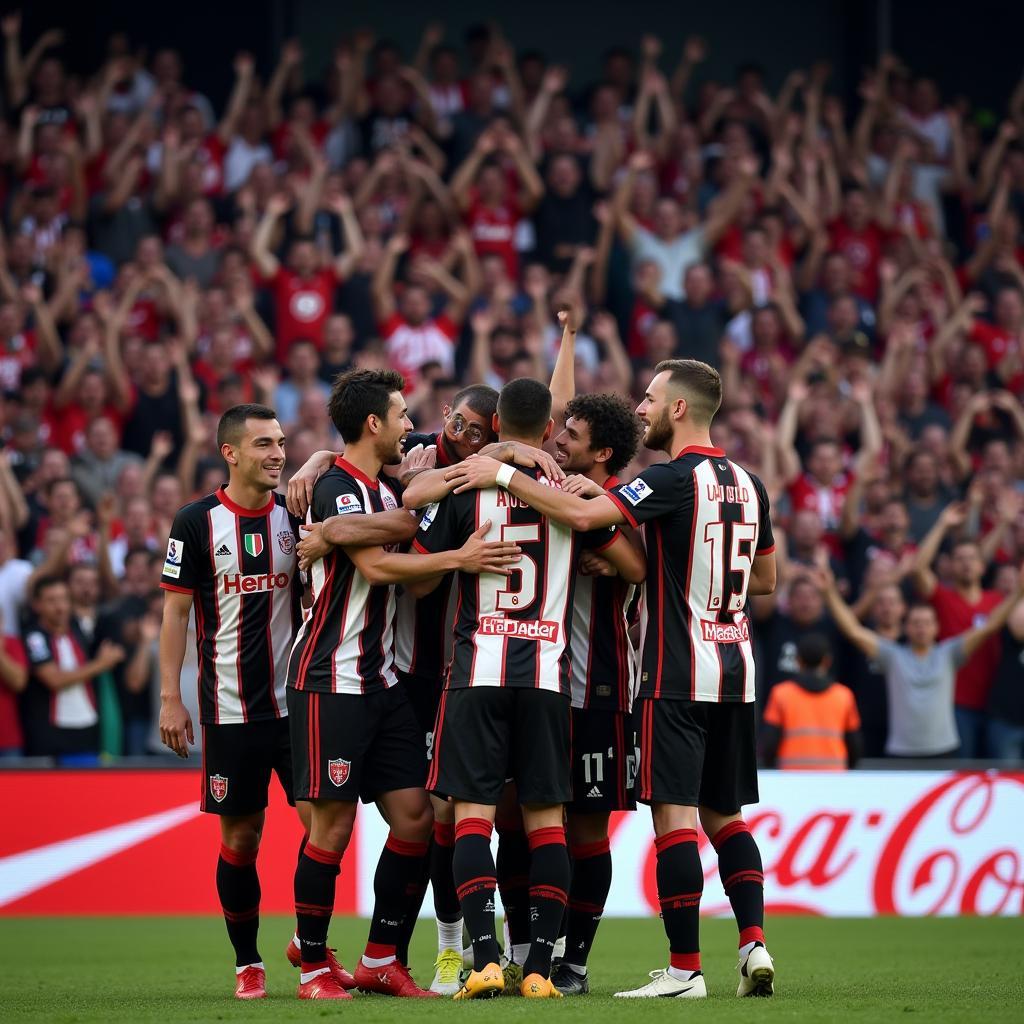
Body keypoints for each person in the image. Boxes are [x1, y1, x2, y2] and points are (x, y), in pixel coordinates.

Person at [442, 359, 776, 998]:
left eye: (651, 399)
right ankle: (753, 945)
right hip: (734, 669)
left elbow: (600, 522)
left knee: (666, 819)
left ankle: (674, 969)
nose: (644, 407)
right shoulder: (751, 485)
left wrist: (506, 471)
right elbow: (764, 581)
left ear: (678, 409)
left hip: (650, 677)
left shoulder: (666, 481)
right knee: (724, 816)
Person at [401, 375, 645, 1000]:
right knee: (547, 824)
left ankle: (482, 957)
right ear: (545, 432)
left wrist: (456, 559)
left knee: (470, 819)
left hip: (477, 671)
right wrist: (593, 557)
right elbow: (637, 566)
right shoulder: (565, 492)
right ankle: (539, 965)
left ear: (493, 424)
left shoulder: (467, 487)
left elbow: (421, 583)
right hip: (546, 676)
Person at [284, 368, 520, 1001]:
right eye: (399, 414)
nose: (409, 425)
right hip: (330, 676)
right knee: (330, 830)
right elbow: (378, 565)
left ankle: (381, 956)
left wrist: (393, 513)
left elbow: (405, 516)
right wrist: (456, 556)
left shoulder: (383, 484)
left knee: (415, 819)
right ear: (373, 424)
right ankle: (311, 966)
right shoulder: (337, 484)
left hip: (381, 679)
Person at [158, 403, 355, 1001]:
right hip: (229, 710)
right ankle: (248, 962)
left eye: (282, 443)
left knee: (325, 824)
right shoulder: (195, 522)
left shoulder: (296, 517)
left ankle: (308, 942)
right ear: (231, 453)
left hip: (298, 702)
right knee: (241, 840)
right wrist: (172, 696)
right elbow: (174, 613)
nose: (277, 454)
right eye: (264, 444)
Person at [545, 392, 644, 995]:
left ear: (603, 454)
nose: (560, 441)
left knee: (585, 833)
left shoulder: (612, 511)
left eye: (574, 436)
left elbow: (639, 565)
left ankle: (573, 962)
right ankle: (528, 952)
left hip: (598, 691)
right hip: (536, 689)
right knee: (523, 821)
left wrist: (624, 561)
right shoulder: (563, 491)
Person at [819, 558, 1024, 758]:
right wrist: (829, 594)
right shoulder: (892, 655)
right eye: (916, 623)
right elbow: (854, 631)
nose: (921, 628)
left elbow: (989, 626)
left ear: (936, 628)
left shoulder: (949, 653)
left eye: (926, 623)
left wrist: (1019, 592)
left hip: (944, 750)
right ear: (906, 627)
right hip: (902, 752)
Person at [910, 504, 1004, 757]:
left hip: (997, 705)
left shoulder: (997, 601)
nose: (966, 564)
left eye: (971, 559)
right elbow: (918, 568)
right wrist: (942, 525)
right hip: (955, 703)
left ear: (982, 566)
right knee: (964, 774)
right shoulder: (943, 598)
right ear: (950, 566)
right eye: (959, 559)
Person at [21, 574, 124, 762]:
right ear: (37, 605)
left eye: (63, 599)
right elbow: (54, 679)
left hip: (87, 731)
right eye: (51, 600)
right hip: (50, 735)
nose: (60, 607)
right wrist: (100, 664)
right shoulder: (34, 637)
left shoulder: (78, 631)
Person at [760, 633, 863, 770]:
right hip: (834, 778)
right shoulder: (844, 696)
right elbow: (855, 746)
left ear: (798, 661)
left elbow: (768, 744)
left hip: (791, 778)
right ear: (827, 661)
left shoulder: (781, 694)